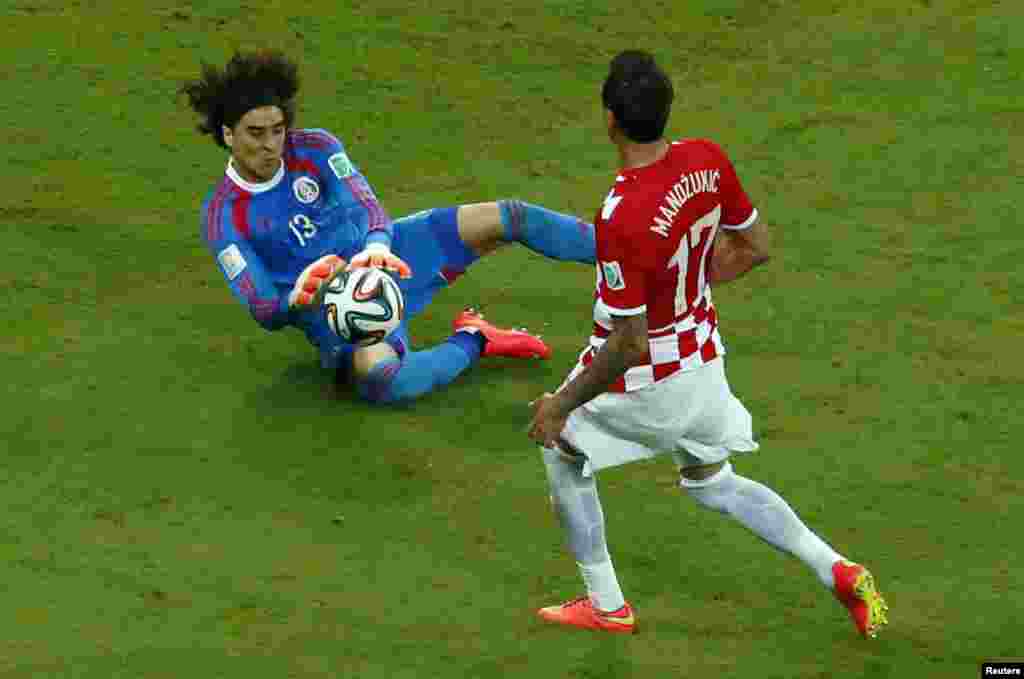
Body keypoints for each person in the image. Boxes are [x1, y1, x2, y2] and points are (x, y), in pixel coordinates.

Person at [527, 50, 888, 638]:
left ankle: (606, 603)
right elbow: (756, 246)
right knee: (712, 482)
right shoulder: (707, 159)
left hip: (650, 379)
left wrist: (561, 404)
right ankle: (837, 568)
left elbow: (628, 343)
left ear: (610, 120)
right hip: (702, 361)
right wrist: (691, 283)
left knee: (559, 444)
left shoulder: (620, 214)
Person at [181, 50, 596, 404]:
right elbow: (263, 308)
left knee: (509, 216)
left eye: (277, 130)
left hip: (389, 258)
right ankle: (476, 339)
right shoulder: (222, 217)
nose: (270, 144)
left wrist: (377, 245)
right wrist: (298, 296)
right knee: (383, 381)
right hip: (341, 314)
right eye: (255, 133)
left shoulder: (314, 148)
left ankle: (636, 253)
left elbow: (365, 206)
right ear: (228, 134)